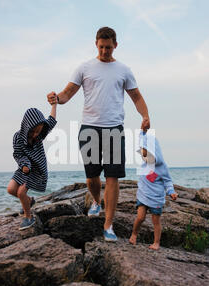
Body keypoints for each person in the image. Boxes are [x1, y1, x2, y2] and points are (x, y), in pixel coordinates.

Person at [47, 26, 150, 242]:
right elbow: (68, 93)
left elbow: (136, 97)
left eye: (109, 47)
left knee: (112, 177)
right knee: (92, 177)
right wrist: (57, 98)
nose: (105, 51)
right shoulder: (84, 68)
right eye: (102, 47)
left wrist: (145, 115)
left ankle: (108, 225)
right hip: (89, 128)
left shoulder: (124, 70)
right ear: (96, 44)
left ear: (115, 45)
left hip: (114, 128)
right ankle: (95, 201)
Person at [7, 105, 57, 230]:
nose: (35, 134)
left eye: (38, 131)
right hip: (24, 168)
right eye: (33, 131)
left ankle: (28, 217)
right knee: (11, 189)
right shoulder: (17, 138)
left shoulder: (40, 136)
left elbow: (51, 120)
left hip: (37, 170)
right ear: (26, 126)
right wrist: (24, 165)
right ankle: (29, 201)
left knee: (21, 192)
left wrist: (54, 105)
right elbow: (18, 154)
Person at [129, 131, 178, 250]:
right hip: (143, 195)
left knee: (155, 221)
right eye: (143, 156)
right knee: (140, 217)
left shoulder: (162, 167)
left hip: (156, 198)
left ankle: (156, 242)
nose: (144, 158)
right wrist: (143, 131)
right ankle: (133, 235)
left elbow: (167, 181)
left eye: (147, 156)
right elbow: (142, 139)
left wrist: (171, 191)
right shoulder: (144, 164)